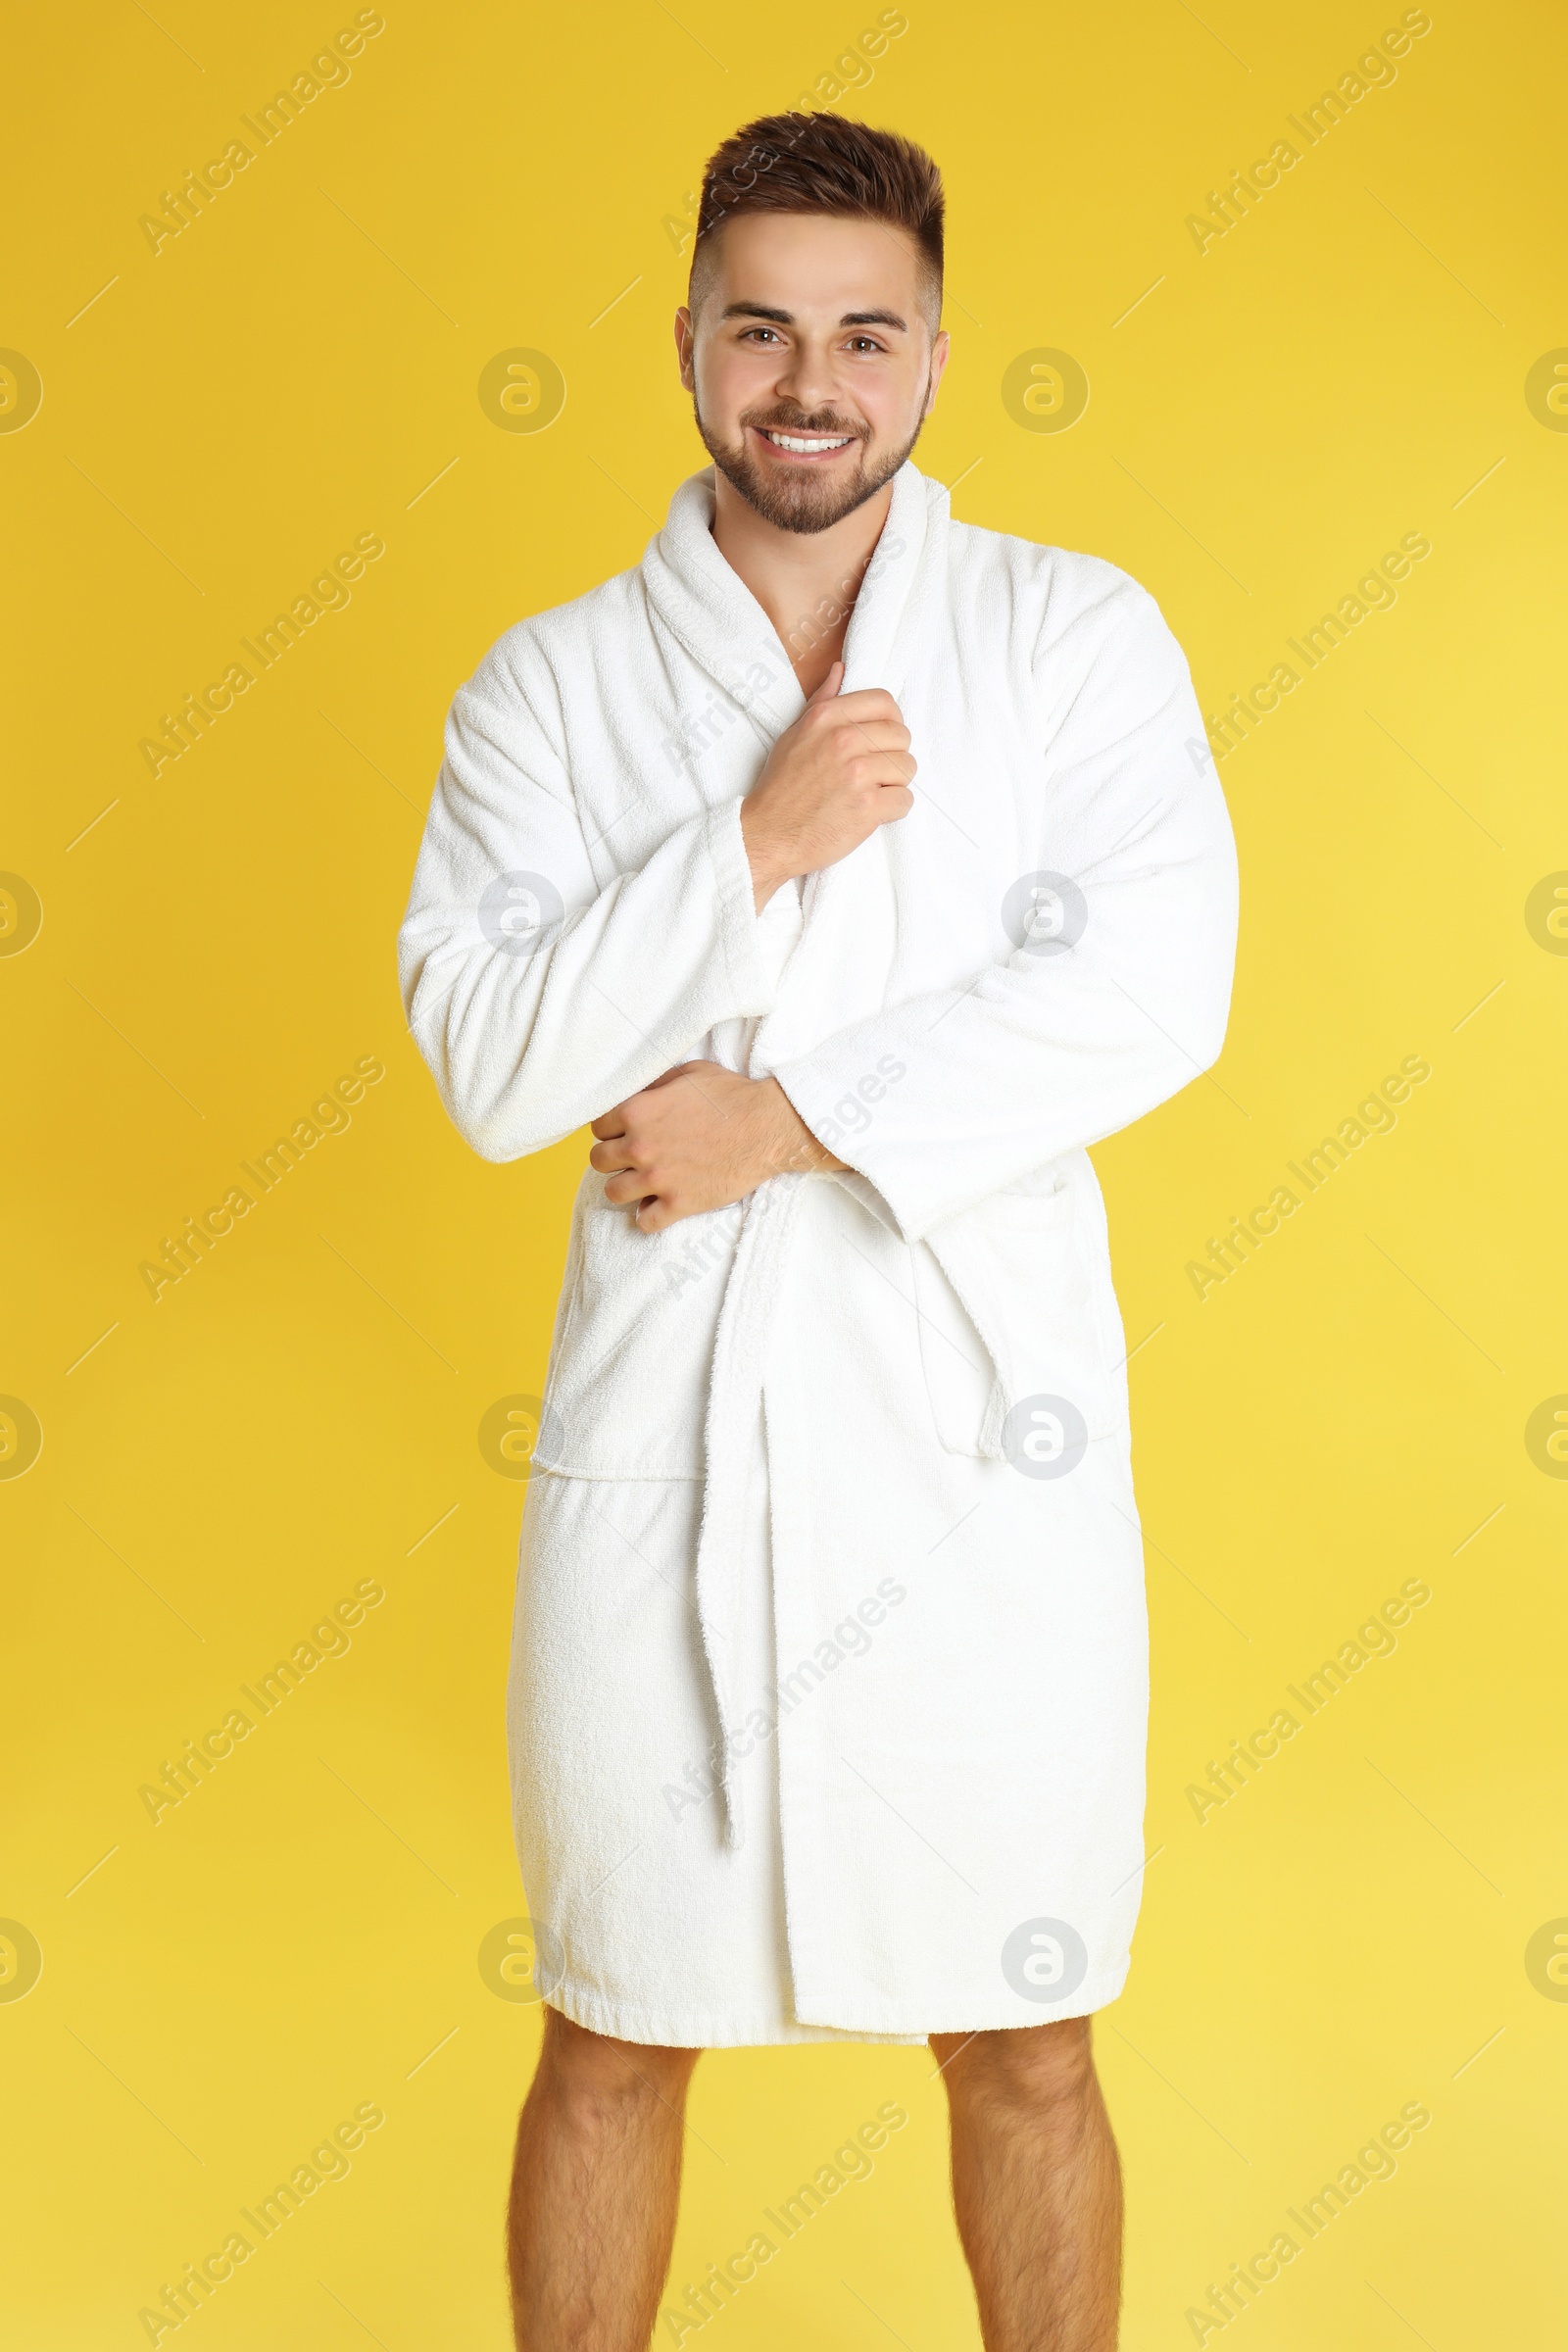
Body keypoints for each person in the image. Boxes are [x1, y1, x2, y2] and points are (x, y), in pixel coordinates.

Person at [399, 109, 1238, 2352]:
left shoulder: (1068, 640)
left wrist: (780, 1119)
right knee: (605, 2025)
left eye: (863, 336)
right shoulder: (547, 688)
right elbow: (488, 1058)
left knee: (1032, 2041)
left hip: (982, 1456)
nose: (809, 382)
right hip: (665, 1453)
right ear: (685, 346)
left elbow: (1153, 990)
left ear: (934, 362)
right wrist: (741, 852)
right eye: (760, 327)